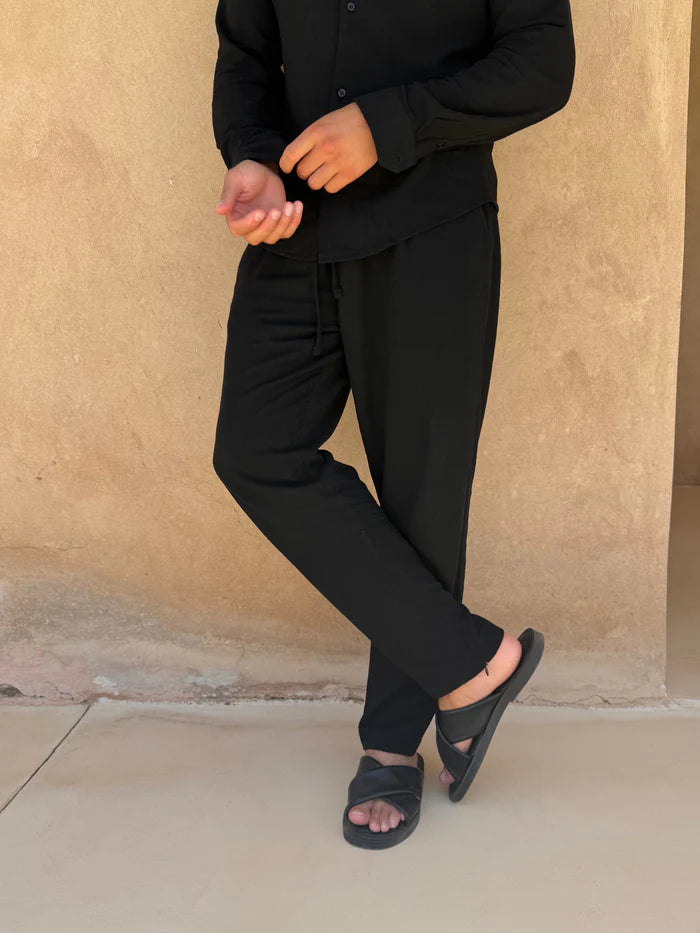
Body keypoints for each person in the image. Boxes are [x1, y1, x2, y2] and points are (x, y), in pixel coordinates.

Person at [210, 0, 576, 849]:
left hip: (431, 229)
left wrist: (390, 123)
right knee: (256, 450)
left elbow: (540, 63)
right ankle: (472, 665)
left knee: (422, 487)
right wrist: (254, 156)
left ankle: (391, 743)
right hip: (297, 231)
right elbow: (246, 55)